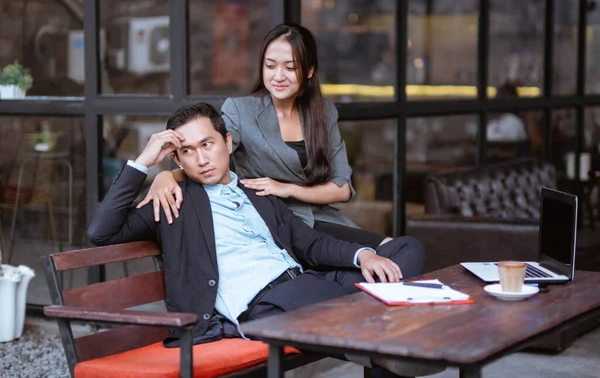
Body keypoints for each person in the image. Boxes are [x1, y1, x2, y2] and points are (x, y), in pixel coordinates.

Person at [87, 103, 435, 378]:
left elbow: (309, 243)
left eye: (207, 144)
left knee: (406, 249)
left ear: (226, 142)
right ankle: (390, 343)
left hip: (303, 285)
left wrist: (364, 256)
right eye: (188, 151)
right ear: (176, 159)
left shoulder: (258, 193)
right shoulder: (173, 202)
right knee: (361, 304)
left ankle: (378, 345)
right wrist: (145, 164)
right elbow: (101, 232)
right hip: (261, 305)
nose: (201, 158)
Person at [138, 22, 392, 248]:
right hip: (272, 222)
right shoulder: (241, 110)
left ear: (309, 70)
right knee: (383, 254)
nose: (278, 76)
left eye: (290, 68)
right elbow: (211, 155)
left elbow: (341, 189)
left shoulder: (323, 112)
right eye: (270, 66)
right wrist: (166, 176)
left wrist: (284, 188)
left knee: (394, 250)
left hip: (323, 218)